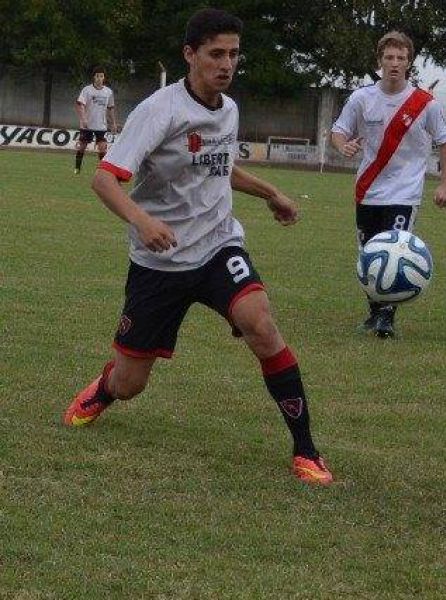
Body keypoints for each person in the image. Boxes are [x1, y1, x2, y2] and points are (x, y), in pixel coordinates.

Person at [62, 8, 333, 486]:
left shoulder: (228, 109)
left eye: (233, 54)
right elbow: (105, 181)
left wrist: (271, 194)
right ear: (190, 55)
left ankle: (306, 450)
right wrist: (142, 220)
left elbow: (219, 165)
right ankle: (105, 388)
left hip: (217, 247)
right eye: (216, 54)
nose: (226, 64)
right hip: (159, 262)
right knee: (131, 384)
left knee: (261, 325)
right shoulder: (158, 111)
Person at [331, 31, 446, 339]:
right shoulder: (361, 98)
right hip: (368, 189)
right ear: (379, 61)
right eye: (389, 57)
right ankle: (374, 314)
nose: (395, 63)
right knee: (368, 253)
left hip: (405, 192)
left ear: (409, 63)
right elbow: (338, 131)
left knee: (396, 251)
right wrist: (342, 145)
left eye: (401, 58)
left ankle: (387, 316)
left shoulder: (425, 104)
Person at [74, 67, 117, 175]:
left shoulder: (108, 92)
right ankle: (77, 168)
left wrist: (113, 124)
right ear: (94, 77)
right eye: (97, 76)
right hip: (87, 125)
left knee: (102, 148)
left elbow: (110, 108)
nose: (99, 78)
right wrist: (83, 118)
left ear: (104, 78)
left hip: (101, 125)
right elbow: (80, 105)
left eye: (101, 76)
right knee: (82, 147)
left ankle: (102, 171)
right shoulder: (87, 90)